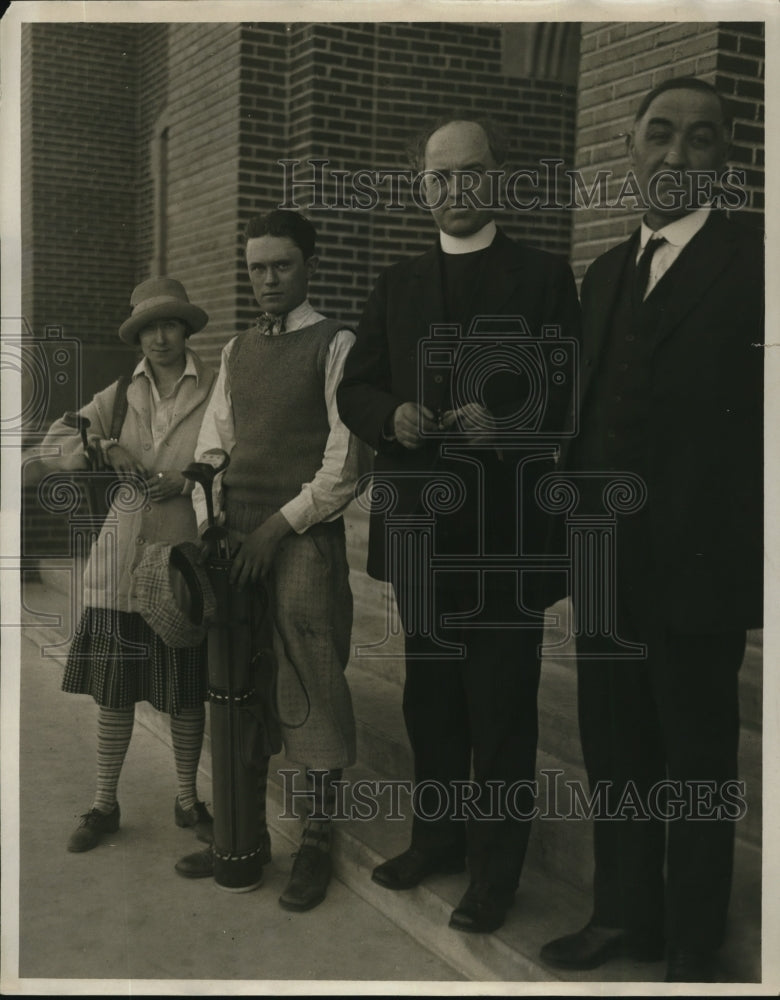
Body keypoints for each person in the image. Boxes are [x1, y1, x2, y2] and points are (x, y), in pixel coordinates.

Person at [540, 77, 763, 983]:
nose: (676, 155)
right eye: (660, 134)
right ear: (628, 147)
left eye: (700, 140)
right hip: (606, 569)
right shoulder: (601, 272)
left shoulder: (758, 264)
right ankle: (620, 914)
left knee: (698, 758)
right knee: (616, 746)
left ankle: (691, 939)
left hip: (699, 573)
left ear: (727, 159)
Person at [336, 115, 580, 933]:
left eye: (470, 174)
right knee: (431, 700)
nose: (454, 191)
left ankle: (494, 873)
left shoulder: (546, 278)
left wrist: (505, 424)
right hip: (421, 535)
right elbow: (355, 388)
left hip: (506, 539)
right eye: (439, 179)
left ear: (497, 177)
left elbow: (569, 394)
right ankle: (435, 839)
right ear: (421, 188)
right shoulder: (397, 284)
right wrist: (390, 415)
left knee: (501, 707)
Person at [175, 210, 368, 912]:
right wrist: (213, 522)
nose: (267, 279)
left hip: (301, 541)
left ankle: (318, 836)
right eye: (256, 267)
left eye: (280, 265)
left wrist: (277, 530)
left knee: (308, 676)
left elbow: (345, 463)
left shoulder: (337, 343)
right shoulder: (236, 351)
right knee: (237, 682)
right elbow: (212, 447)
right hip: (235, 540)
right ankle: (242, 831)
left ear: (307, 265)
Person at [40, 277, 218, 853]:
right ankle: (103, 803)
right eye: (147, 328)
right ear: (137, 336)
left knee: (187, 692)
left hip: (183, 561)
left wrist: (190, 477)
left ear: (186, 329)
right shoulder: (118, 395)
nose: (158, 338)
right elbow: (54, 440)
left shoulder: (216, 390)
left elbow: (230, 457)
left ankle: (189, 799)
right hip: (120, 563)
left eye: (168, 325)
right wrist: (103, 446)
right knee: (115, 690)